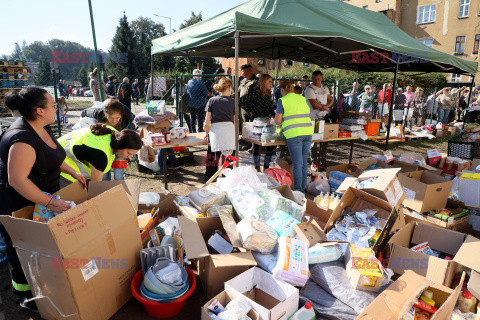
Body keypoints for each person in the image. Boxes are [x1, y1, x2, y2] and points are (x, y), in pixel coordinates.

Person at [0, 87, 86, 311]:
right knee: (20, 246)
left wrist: (73, 172)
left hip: (39, 198)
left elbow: (53, 156)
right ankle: (24, 295)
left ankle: (45, 283)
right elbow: (17, 180)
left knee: (40, 244)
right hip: (17, 202)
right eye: (52, 105)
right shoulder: (23, 139)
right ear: (39, 110)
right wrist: (51, 202)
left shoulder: (41, 128)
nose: (57, 108)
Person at [58, 124, 142, 184]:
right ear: (121, 145)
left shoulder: (116, 135)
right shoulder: (101, 154)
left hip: (59, 155)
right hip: (60, 165)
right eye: (128, 153)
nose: (129, 158)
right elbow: (95, 186)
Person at [81, 99, 135, 181]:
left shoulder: (126, 120)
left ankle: (118, 192)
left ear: (121, 114)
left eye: (117, 118)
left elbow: (130, 136)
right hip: (104, 148)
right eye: (111, 118)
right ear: (105, 114)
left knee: (119, 176)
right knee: (104, 175)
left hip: (119, 148)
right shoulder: (98, 114)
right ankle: (106, 192)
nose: (114, 121)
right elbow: (84, 112)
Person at [275, 81, 313, 191]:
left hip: (294, 134)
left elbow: (277, 121)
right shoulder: (301, 98)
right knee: (304, 162)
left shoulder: (282, 100)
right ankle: (302, 187)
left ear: (282, 90)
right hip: (307, 132)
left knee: (297, 163)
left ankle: (298, 190)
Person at [203, 77, 236, 182]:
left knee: (211, 162)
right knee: (228, 163)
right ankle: (227, 183)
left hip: (215, 133)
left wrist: (206, 133)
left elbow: (207, 122)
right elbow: (235, 122)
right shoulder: (233, 101)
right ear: (230, 88)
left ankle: (210, 183)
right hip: (229, 133)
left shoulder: (212, 100)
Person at [248, 74, 276, 170]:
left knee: (270, 144)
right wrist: (250, 112)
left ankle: (266, 166)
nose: (271, 84)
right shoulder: (255, 93)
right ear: (263, 82)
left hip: (267, 122)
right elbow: (242, 101)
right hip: (257, 122)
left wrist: (275, 115)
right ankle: (257, 166)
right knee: (256, 145)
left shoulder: (268, 94)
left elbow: (270, 108)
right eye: (269, 81)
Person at [238, 64, 259, 151]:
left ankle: (254, 146)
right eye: (242, 72)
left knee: (254, 127)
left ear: (250, 71)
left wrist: (252, 109)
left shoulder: (256, 81)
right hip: (243, 108)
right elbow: (239, 91)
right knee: (247, 127)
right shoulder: (243, 81)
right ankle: (248, 144)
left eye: (244, 72)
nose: (243, 74)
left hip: (252, 108)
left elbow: (257, 96)